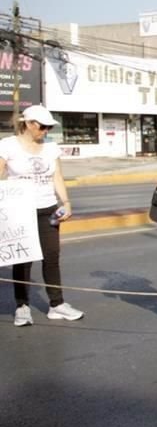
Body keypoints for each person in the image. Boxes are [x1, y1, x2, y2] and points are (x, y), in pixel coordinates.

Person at [0, 105, 84, 326]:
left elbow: (57, 176)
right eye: (42, 126)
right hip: (20, 210)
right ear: (28, 124)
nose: (45, 131)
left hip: (47, 207)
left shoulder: (50, 147)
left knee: (52, 256)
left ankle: (57, 304)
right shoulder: (8, 146)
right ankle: (22, 306)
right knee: (23, 260)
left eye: (49, 127)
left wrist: (65, 202)